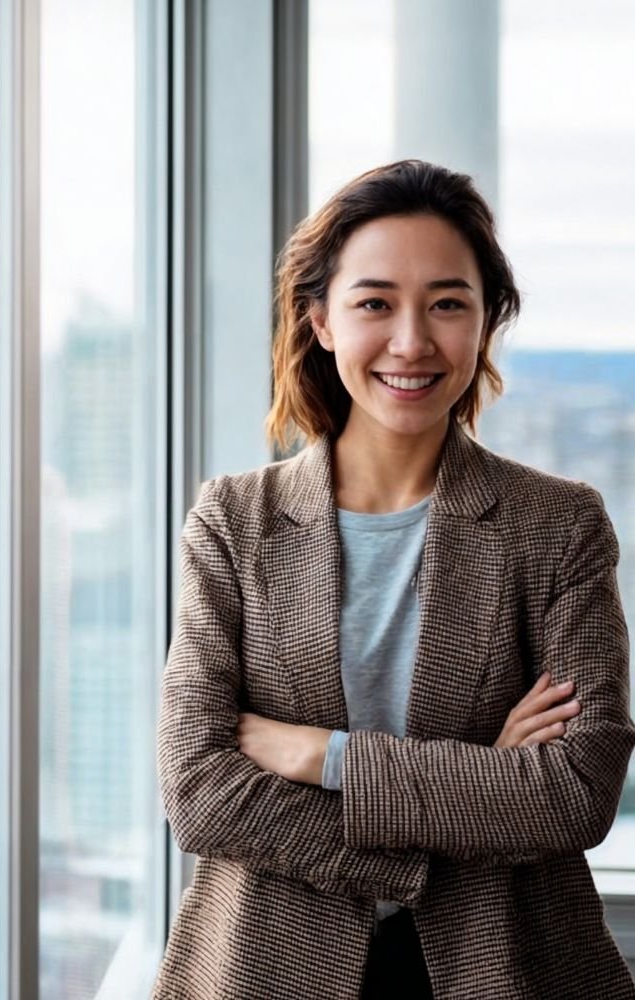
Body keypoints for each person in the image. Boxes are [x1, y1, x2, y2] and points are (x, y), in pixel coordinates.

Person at [151, 159, 635, 1000]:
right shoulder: (232, 522)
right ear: (321, 321)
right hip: (265, 969)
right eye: (375, 302)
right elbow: (200, 791)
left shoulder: (558, 527)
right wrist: (476, 788)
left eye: (448, 303)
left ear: (486, 323)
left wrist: (320, 755)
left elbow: (573, 794)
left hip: (508, 968)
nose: (412, 341)